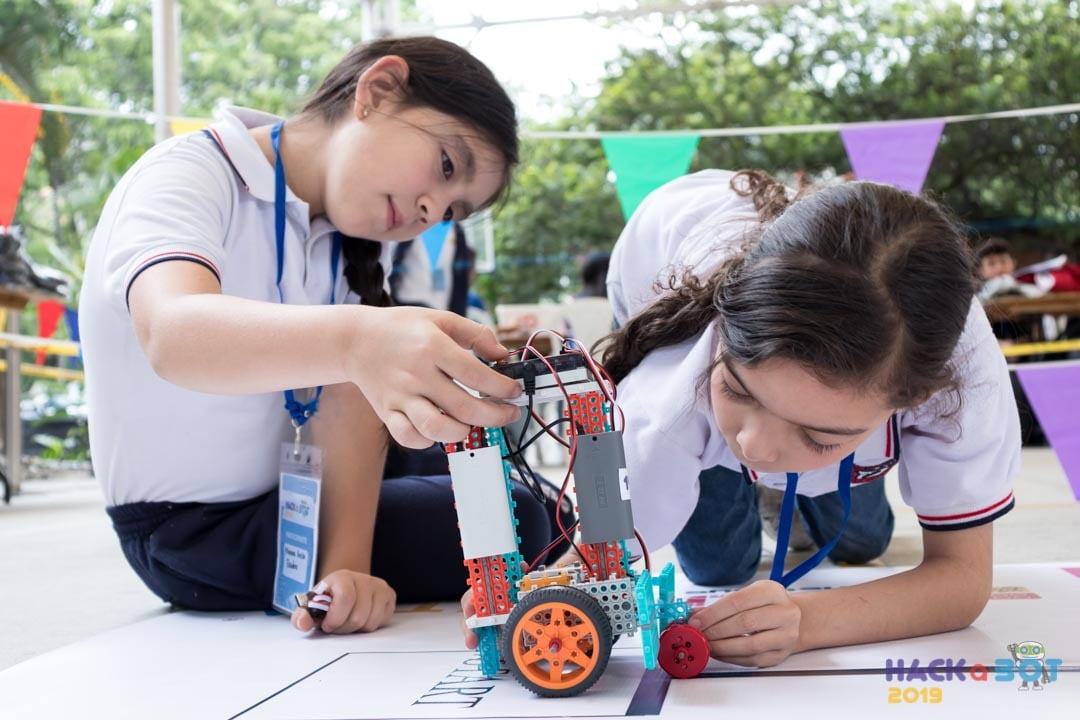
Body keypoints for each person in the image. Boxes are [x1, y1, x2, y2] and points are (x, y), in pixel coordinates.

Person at [79, 36, 566, 636]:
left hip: (296, 493)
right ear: (378, 90)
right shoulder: (190, 172)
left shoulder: (353, 240)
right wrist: (359, 340)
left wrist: (344, 572)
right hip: (192, 529)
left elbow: (348, 402)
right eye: (445, 167)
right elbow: (171, 334)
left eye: (450, 210)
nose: (428, 209)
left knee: (518, 489)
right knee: (521, 519)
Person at [594, 169, 1020, 667]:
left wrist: (807, 620)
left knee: (864, 542)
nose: (756, 447)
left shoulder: (960, 378)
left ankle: (790, 456)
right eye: (737, 389)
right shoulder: (666, 395)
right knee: (717, 567)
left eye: (819, 436)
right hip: (666, 284)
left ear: (913, 400)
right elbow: (593, 557)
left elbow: (962, 577)